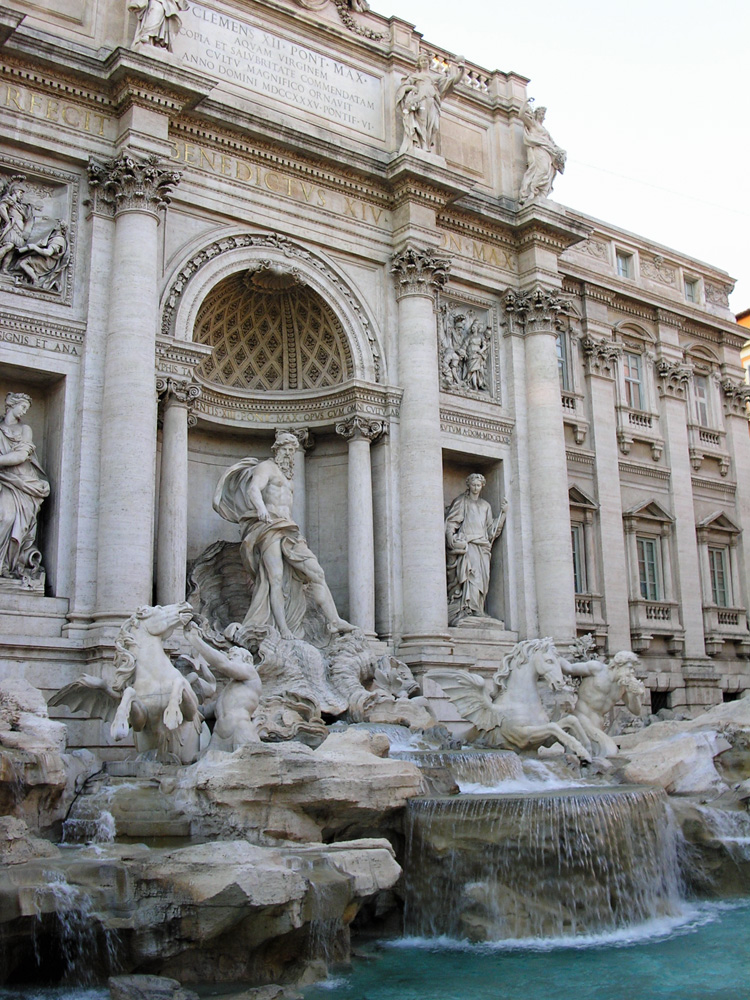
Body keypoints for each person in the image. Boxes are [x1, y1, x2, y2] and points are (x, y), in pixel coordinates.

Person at [213, 431, 355, 640]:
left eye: (292, 450)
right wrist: (261, 509)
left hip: (288, 528)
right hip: (268, 526)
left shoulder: (288, 477)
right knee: (275, 579)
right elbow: (254, 489)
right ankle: (282, 629)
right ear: (277, 449)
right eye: (286, 449)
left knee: (316, 573)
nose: (289, 454)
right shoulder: (266, 468)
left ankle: (334, 620)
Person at [0, 393, 50, 583]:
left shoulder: (24, 429)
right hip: (4, 479)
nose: (24, 411)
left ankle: (9, 566)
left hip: (23, 482)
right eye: (22, 407)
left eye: (27, 409)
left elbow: (21, 456)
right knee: (4, 517)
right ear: (11, 406)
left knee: (10, 518)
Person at [445, 474, 508, 625]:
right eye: (473, 485)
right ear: (468, 485)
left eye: (478, 485)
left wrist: (503, 514)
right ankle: (469, 609)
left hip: (483, 546)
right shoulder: (462, 502)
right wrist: (451, 539)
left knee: (482, 579)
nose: (475, 488)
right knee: (471, 577)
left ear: (482, 486)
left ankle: (478, 607)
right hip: (469, 544)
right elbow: (451, 523)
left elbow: (491, 530)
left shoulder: (486, 505)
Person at [560, 650, 646, 757]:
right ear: (618, 665)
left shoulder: (623, 686)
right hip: (579, 716)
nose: (632, 672)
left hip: (597, 725)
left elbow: (636, 710)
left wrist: (633, 694)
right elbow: (569, 668)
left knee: (594, 757)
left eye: (633, 668)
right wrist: (552, 657)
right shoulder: (597, 669)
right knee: (609, 751)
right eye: (629, 668)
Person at [396, 52, 464, 154]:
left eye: (426, 60)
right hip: (421, 100)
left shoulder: (435, 78)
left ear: (429, 62)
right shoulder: (414, 76)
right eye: (422, 60)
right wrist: (412, 87)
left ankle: (426, 143)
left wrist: (462, 71)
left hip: (432, 101)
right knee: (422, 122)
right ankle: (422, 145)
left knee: (433, 125)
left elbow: (453, 81)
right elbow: (403, 87)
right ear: (419, 63)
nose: (424, 62)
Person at [518, 99, 566, 206]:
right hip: (539, 149)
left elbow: (552, 143)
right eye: (540, 113)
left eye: (543, 114)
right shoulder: (533, 124)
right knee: (542, 169)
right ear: (536, 114)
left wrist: (560, 151)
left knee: (548, 172)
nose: (542, 116)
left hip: (547, 151)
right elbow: (521, 114)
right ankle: (531, 191)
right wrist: (526, 102)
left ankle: (541, 194)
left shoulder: (544, 129)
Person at [15, 221, 69, 290]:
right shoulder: (55, 237)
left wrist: (34, 247)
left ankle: (36, 281)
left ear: (61, 227)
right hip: (46, 259)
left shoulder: (58, 240)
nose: (56, 224)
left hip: (47, 262)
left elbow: (48, 253)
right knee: (24, 261)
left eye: (58, 224)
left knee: (23, 262)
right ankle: (32, 279)